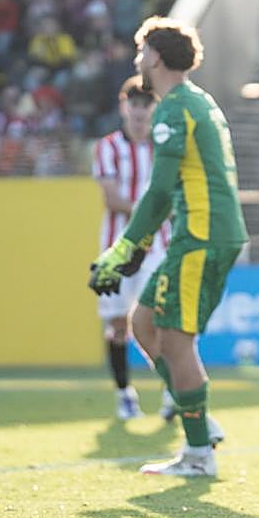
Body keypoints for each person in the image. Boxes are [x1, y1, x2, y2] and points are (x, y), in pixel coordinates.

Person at [88, 17, 247, 478]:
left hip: (201, 236)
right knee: (142, 323)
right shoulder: (196, 101)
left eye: (141, 51)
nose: (138, 59)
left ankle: (198, 454)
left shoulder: (173, 109)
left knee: (176, 341)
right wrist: (136, 245)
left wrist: (122, 250)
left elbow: (159, 192)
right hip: (199, 234)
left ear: (155, 57)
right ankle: (201, 422)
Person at [91, 79, 170, 419]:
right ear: (125, 107)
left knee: (160, 320)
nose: (139, 111)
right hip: (117, 248)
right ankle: (124, 393)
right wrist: (149, 212)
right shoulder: (108, 147)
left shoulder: (163, 148)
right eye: (134, 104)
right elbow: (112, 199)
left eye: (145, 104)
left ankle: (171, 391)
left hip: (157, 248)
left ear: (154, 109)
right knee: (118, 325)